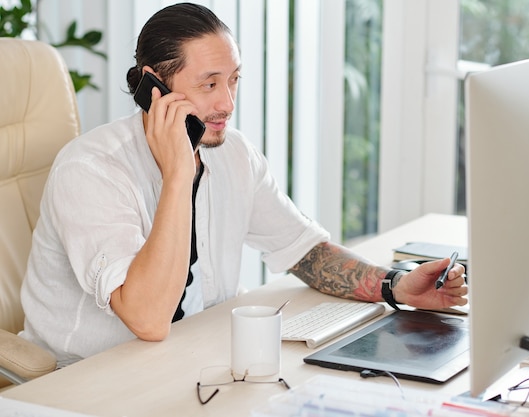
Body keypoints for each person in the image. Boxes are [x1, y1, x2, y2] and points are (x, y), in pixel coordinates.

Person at [20, 2, 467, 367]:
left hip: (192, 359)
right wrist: (179, 175)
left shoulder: (232, 152)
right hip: (89, 381)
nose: (227, 103)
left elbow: (305, 252)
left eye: (233, 80)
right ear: (153, 86)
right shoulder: (92, 169)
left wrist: (396, 286)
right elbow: (148, 319)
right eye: (209, 84)